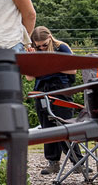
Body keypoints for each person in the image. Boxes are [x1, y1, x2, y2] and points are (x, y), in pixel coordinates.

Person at [27, 26, 78, 175]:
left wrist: (49, 67)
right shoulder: (34, 52)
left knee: (64, 125)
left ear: (50, 37)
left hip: (60, 88)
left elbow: (73, 70)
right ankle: (53, 162)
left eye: (44, 45)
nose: (42, 48)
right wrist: (30, 59)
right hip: (41, 90)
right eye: (38, 46)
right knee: (47, 127)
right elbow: (29, 77)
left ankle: (77, 161)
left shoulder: (61, 48)